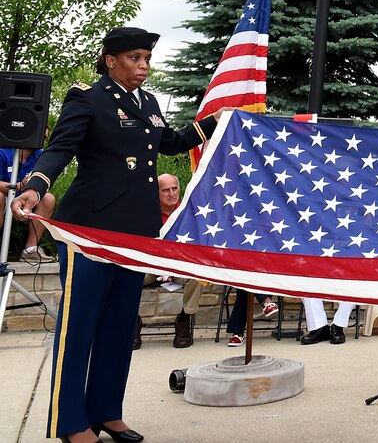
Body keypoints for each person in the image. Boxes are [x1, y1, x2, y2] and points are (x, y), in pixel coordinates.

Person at [10, 27, 224, 443]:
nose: (144, 66)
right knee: (80, 329)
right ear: (111, 60)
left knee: (119, 328)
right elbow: (61, 148)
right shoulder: (87, 97)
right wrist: (35, 186)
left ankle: (107, 413)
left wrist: (216, 122)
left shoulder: (147, 101)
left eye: (146, 58)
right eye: (135, 58)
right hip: (90, 231)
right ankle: (71, 423)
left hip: (136, 233)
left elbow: (170, 143)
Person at [132, 173, 206, 349]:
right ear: (156, 193)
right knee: (125, 276)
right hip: (152, 267)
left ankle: (184, 319)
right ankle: (132, 322)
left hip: (181, 267)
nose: (172, 193)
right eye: (166, 190)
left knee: (200, 277)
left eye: (174, 189)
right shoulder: (146, 216)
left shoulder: (189, 213)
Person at [0, 125, 58, 262]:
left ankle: (30, 250)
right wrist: (19, 186)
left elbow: (45, 186)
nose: (45, 134)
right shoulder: (3, 151)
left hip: (26, 199)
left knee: (48, 199)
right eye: (43, 130)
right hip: (5, 195)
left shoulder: (41, 156)